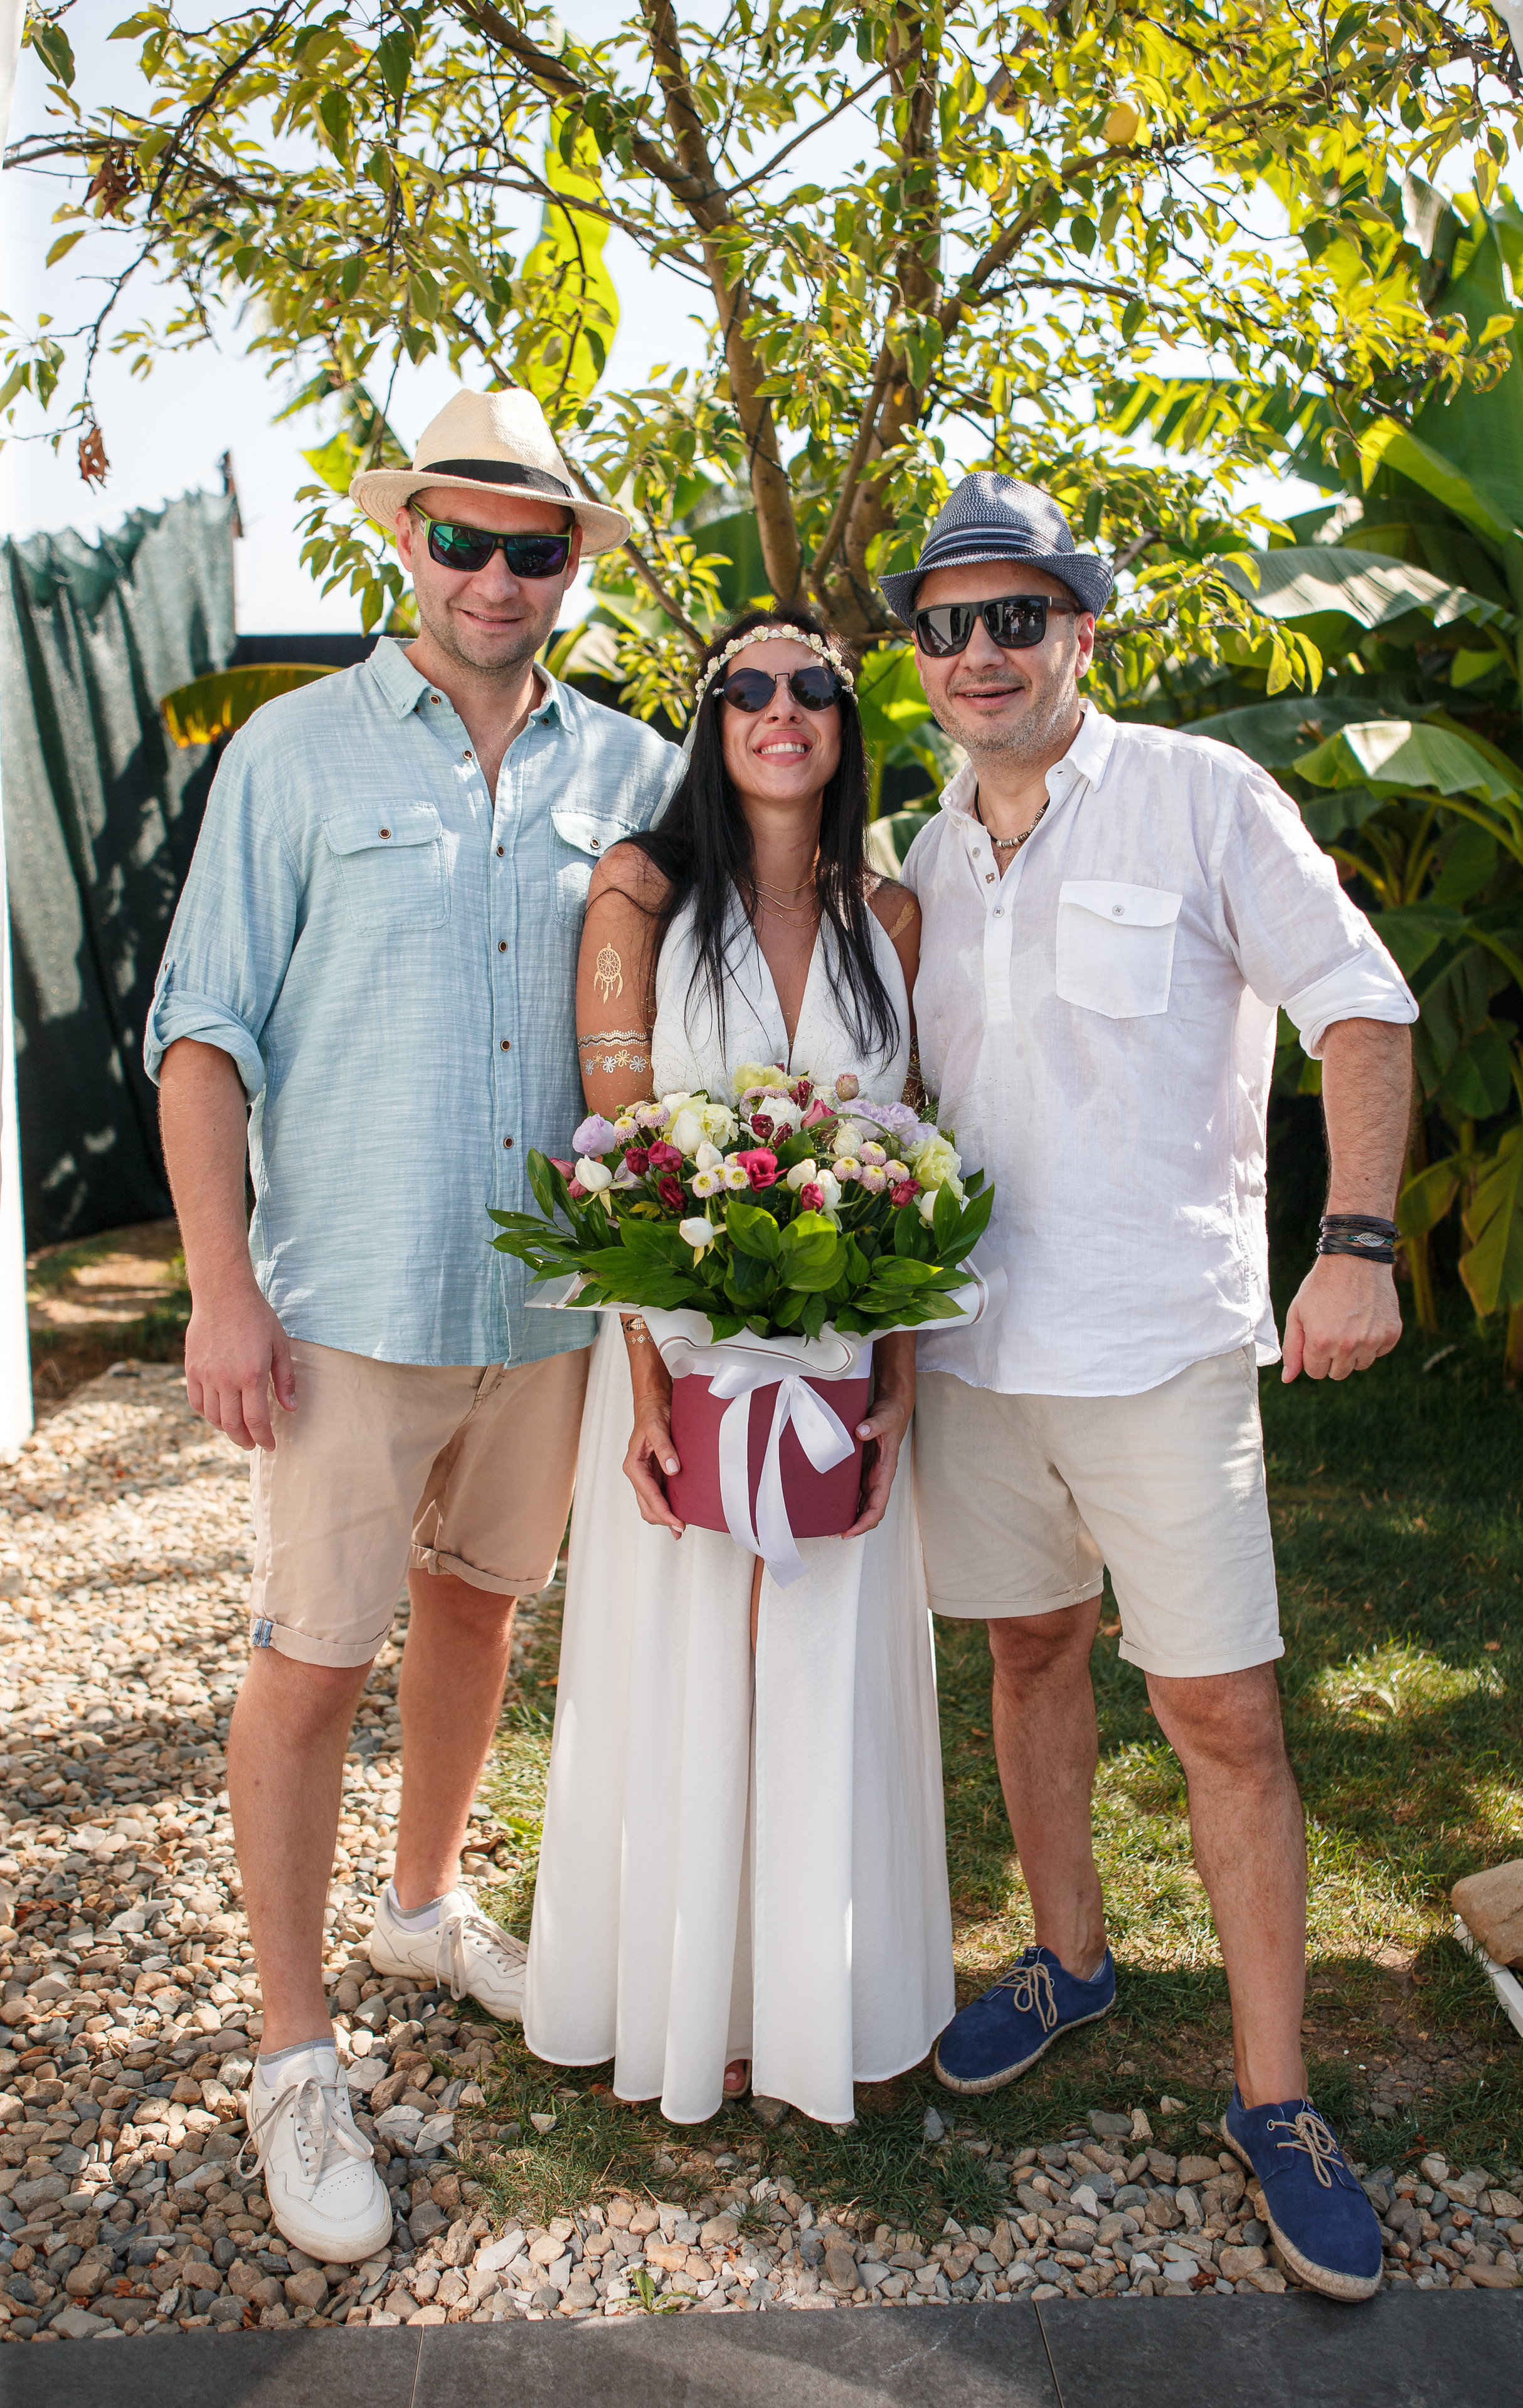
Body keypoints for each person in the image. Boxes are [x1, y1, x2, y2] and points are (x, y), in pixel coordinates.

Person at [143, 387, 683, 2261]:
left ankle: (425, 1904)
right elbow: (201, 1032)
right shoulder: (289, 756)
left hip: (547, 1300)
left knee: (483, 1605)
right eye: (461, 538)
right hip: (349, 1305)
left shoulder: (634, 773)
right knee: (312, 1657)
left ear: (569, 572)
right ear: (405, 544)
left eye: (533, 548)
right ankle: (296, 2055)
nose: (495, 575)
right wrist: (223, 1288)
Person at [888, 472, 1415, 2303]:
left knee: (1222, 1721)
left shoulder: (1204, 796)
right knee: (1027, 1656)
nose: (977, 653)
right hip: (977, 1355)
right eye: (946, 625)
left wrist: (1358, 1239)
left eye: (1013, 616)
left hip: (1161, 1353)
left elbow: (1362, 1001)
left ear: (1080, 632)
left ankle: (1274, 2099)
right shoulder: (926, 865)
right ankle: (1073, 1958)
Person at [522, 609, 955, 2125]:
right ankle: (693, 2001)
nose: (782, 709)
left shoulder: (887, 919)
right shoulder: (640, 891)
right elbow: (618, 1155)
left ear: (845, 721)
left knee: (827, 1675)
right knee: (691, 1666)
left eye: (813, 687)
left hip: (839, 1364)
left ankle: (821, 2002)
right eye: (747, 688)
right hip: (681, 1364)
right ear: (712, 723)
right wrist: (642, 1383)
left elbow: (906, 1158)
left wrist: (896, 1370)